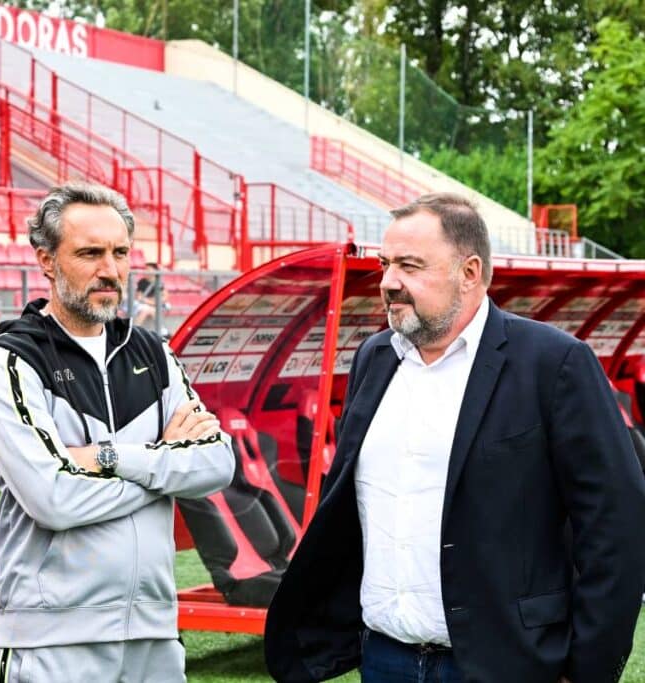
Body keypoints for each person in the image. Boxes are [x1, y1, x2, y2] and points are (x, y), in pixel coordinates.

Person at [264, 193, 645, 683]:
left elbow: (615, 524)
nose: (387, 282)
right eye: (385, 264)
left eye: (409, 265)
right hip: (384, 661)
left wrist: (587, 668)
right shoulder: (373, 359)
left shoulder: (553, 363)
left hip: (507, 663)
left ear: (469, 272)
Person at [0, 182, 235, 682]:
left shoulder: (154, 354)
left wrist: (114, 458)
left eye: (120, 253)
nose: (110, 270)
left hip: (155, 633)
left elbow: (218, 463)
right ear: (47, 261)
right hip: (52, 641)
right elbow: (54, 499)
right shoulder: (10, 362)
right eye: (89, 253)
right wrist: (165, 464)